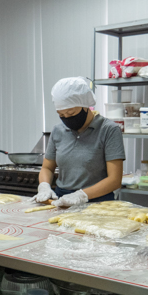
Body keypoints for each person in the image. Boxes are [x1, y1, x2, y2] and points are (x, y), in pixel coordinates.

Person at [34, 77, 125, 207]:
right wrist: (44, 186)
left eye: (71, 113)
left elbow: (114, 180)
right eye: (61, 115)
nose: (67, 118)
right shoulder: (58, 130)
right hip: (61, 200)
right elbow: (47, 167)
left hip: (97, 202)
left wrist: (81, 195)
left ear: (85, 106)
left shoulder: (108, 130)